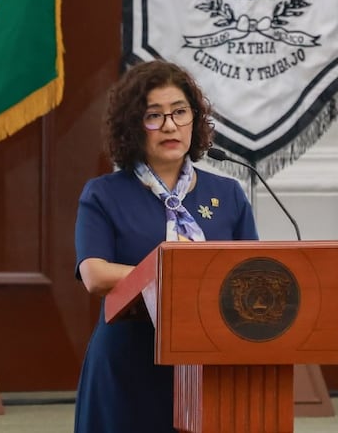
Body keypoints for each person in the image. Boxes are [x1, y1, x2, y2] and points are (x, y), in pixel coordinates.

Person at [73, 59, 259, 433]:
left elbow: (251, 274)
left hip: (211, 360)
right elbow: (95, 274)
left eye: (179, 112)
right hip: (129, 358)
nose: (170, 125)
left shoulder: (228, 194)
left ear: (195, 119)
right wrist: (182, 274)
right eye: (154, 116)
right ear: (133, 126)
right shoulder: (104, 194)